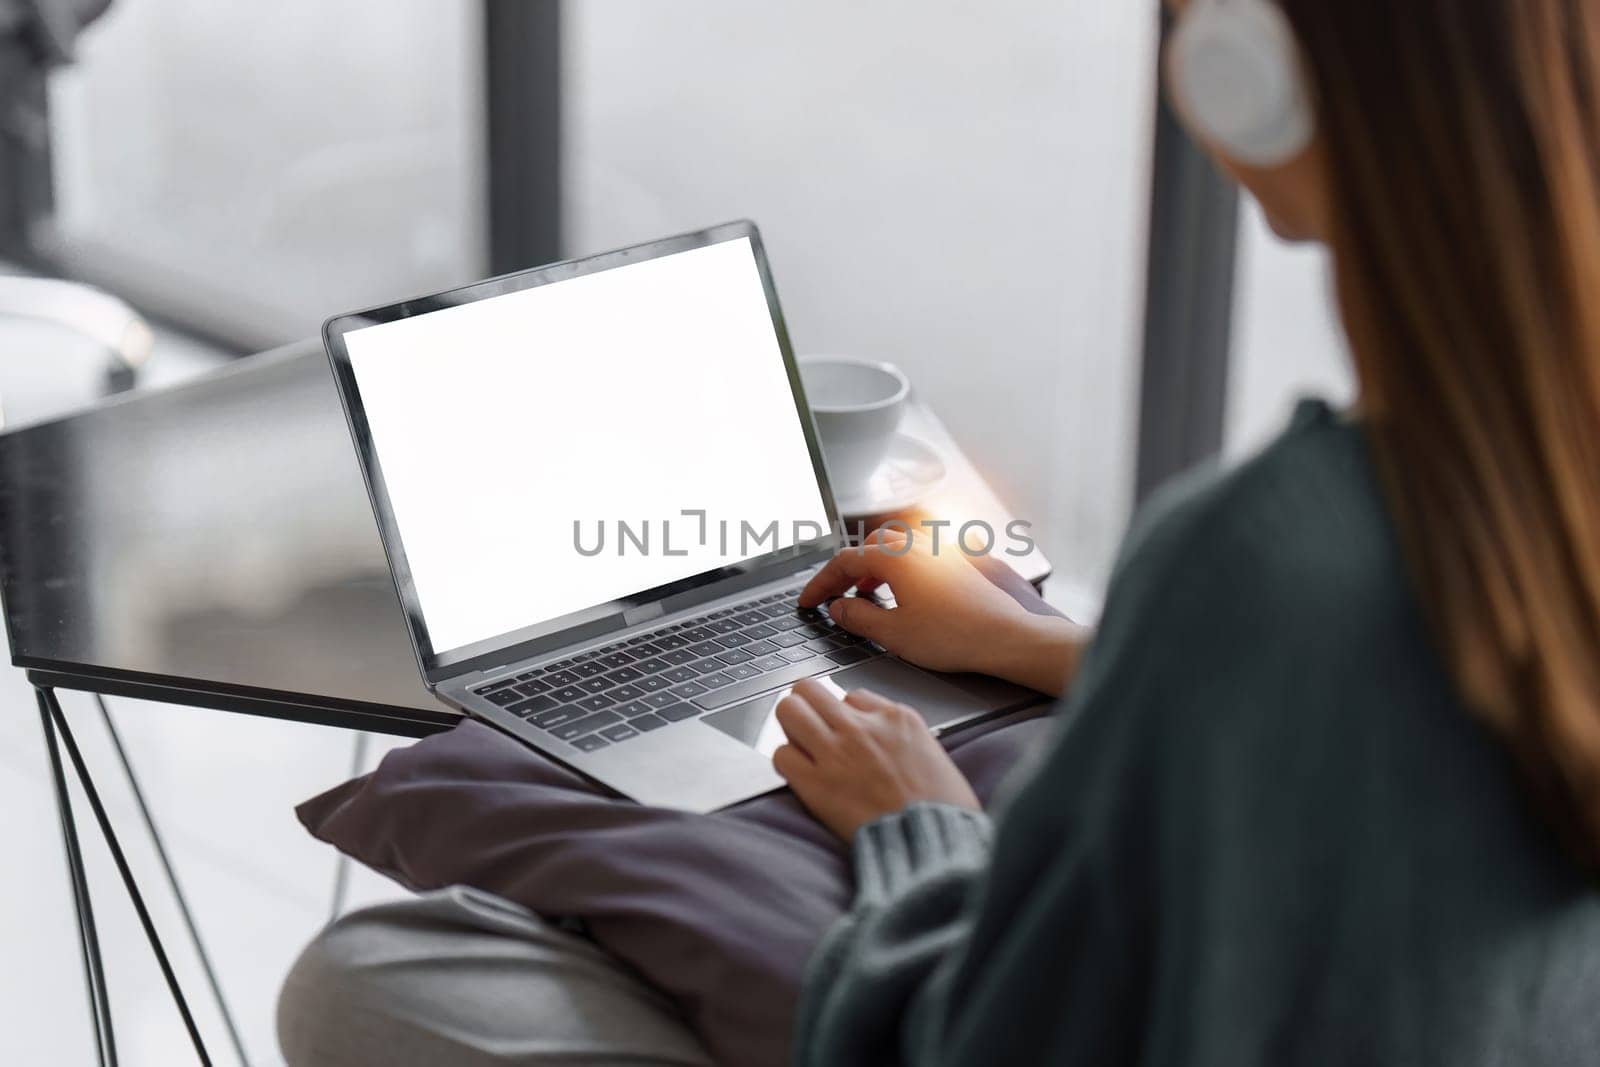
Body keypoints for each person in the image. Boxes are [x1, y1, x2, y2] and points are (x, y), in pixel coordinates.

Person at [280, 0, 1600, 1062]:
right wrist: (1042, 651)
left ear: (1245, 73)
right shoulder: (1524, 507)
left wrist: (917, 823)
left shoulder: (1257, 556)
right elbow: (1369, 697)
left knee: (372, 976)